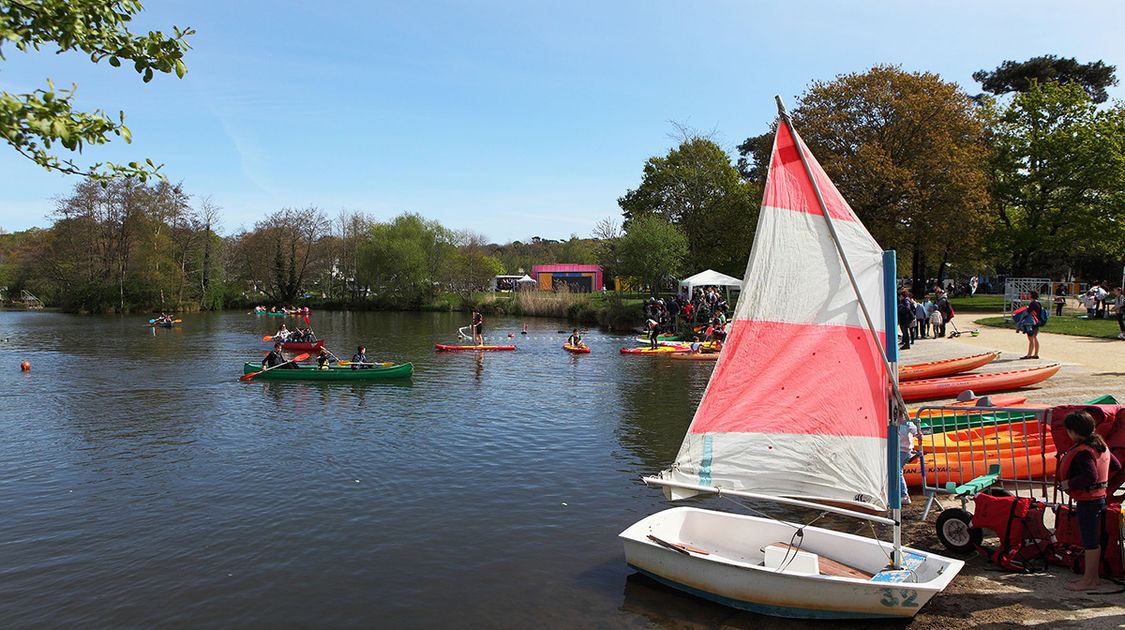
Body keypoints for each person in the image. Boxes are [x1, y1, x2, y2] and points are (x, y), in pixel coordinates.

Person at [1059, 410, 1122, 591]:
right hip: (1099, 498)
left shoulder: (1083, 452)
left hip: (1089, 501)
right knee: (1093, 539)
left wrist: (1068, 483)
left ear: (1073, 432)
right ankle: (1093, 578)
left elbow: (1090, 475)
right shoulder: (1100, 445)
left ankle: (1089, 581)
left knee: (1089, 540)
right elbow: (1115, 465)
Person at [897, 420, 920, 504]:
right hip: (902, 450)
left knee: (898, 472)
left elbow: (915, 431)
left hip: (903, 451)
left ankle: (904, 495)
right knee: (897, 472)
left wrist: (918, 434)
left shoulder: (906, 423)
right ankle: (901, 494)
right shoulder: (896, 423)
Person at [1020, 290, 1043, 359]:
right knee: (1035, 338)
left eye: (1029, 294)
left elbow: (1028, 312)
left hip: (1031, 323)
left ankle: (1029, 354)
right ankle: (1035, 354)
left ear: (1032, 296)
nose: (1028, 295)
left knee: (1031, 339)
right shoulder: (1038, 303)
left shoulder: (1032, 304)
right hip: (1036, 322)